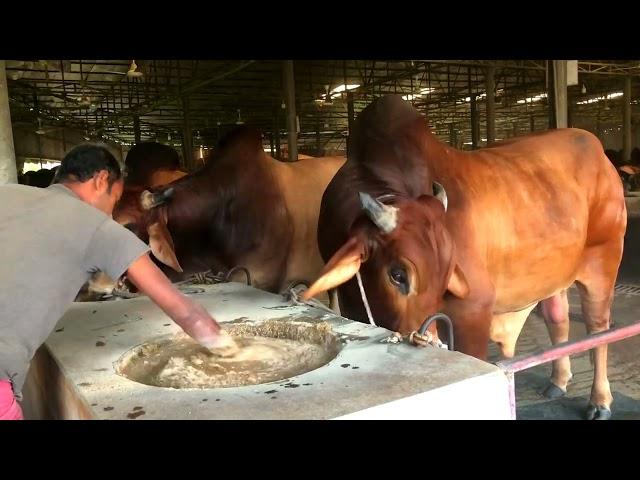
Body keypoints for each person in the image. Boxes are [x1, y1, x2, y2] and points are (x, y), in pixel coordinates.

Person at [0, 144, 226, 420]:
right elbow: (186, 312)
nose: (110, 213)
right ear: (101, 180)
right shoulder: (98, 227)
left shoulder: (7, 193)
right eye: (115, 200)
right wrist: (231, 350)